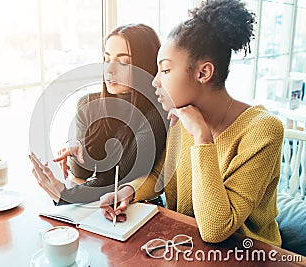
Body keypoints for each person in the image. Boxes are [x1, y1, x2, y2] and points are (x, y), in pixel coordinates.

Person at [100, 0, 284, 246]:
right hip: (185, 242)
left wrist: (201, 136)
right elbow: (161, 175)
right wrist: (127, 192)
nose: (155, 81)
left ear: (203, 73)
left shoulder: (263, 130)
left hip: (247, 253)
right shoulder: (183, 116)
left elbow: (216, 229)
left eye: (165, 71)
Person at [30, 24, 168, 205]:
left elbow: (119, 178)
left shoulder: (156, 115)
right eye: (106, 59)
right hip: (100, 203)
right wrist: (78, 149)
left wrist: (66, 195)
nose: (109, 70)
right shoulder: (88, 104)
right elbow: (81, 174)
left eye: (123, 62)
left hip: (140, 208)